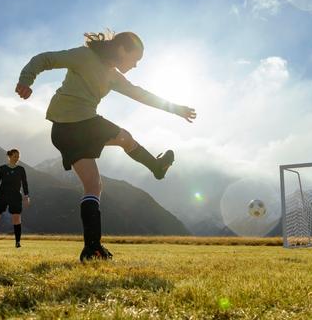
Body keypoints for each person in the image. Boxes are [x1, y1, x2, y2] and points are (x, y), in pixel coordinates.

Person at [14, 30, 196, 261]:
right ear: (122, 50)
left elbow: (141, 94)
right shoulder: (83, 56)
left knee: (94, 185)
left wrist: (176, 109)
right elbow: (45, 59)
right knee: (124, 138)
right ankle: (157, 168)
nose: (136, 65)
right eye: (135, 59)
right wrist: (26, 80)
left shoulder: (113, 76)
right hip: (77, 124)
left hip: (66, 132)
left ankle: (92, 249)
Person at [0, 149, 30, 249]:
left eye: (18, 156)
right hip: (2, 195)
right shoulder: (2, 169)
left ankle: (18, 243)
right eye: (15, 156)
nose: (17, 158)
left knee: (16, 218)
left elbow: (24, 183)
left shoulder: (21, 169)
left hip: (15, 196)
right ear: (10, 156)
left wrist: (26, 196)